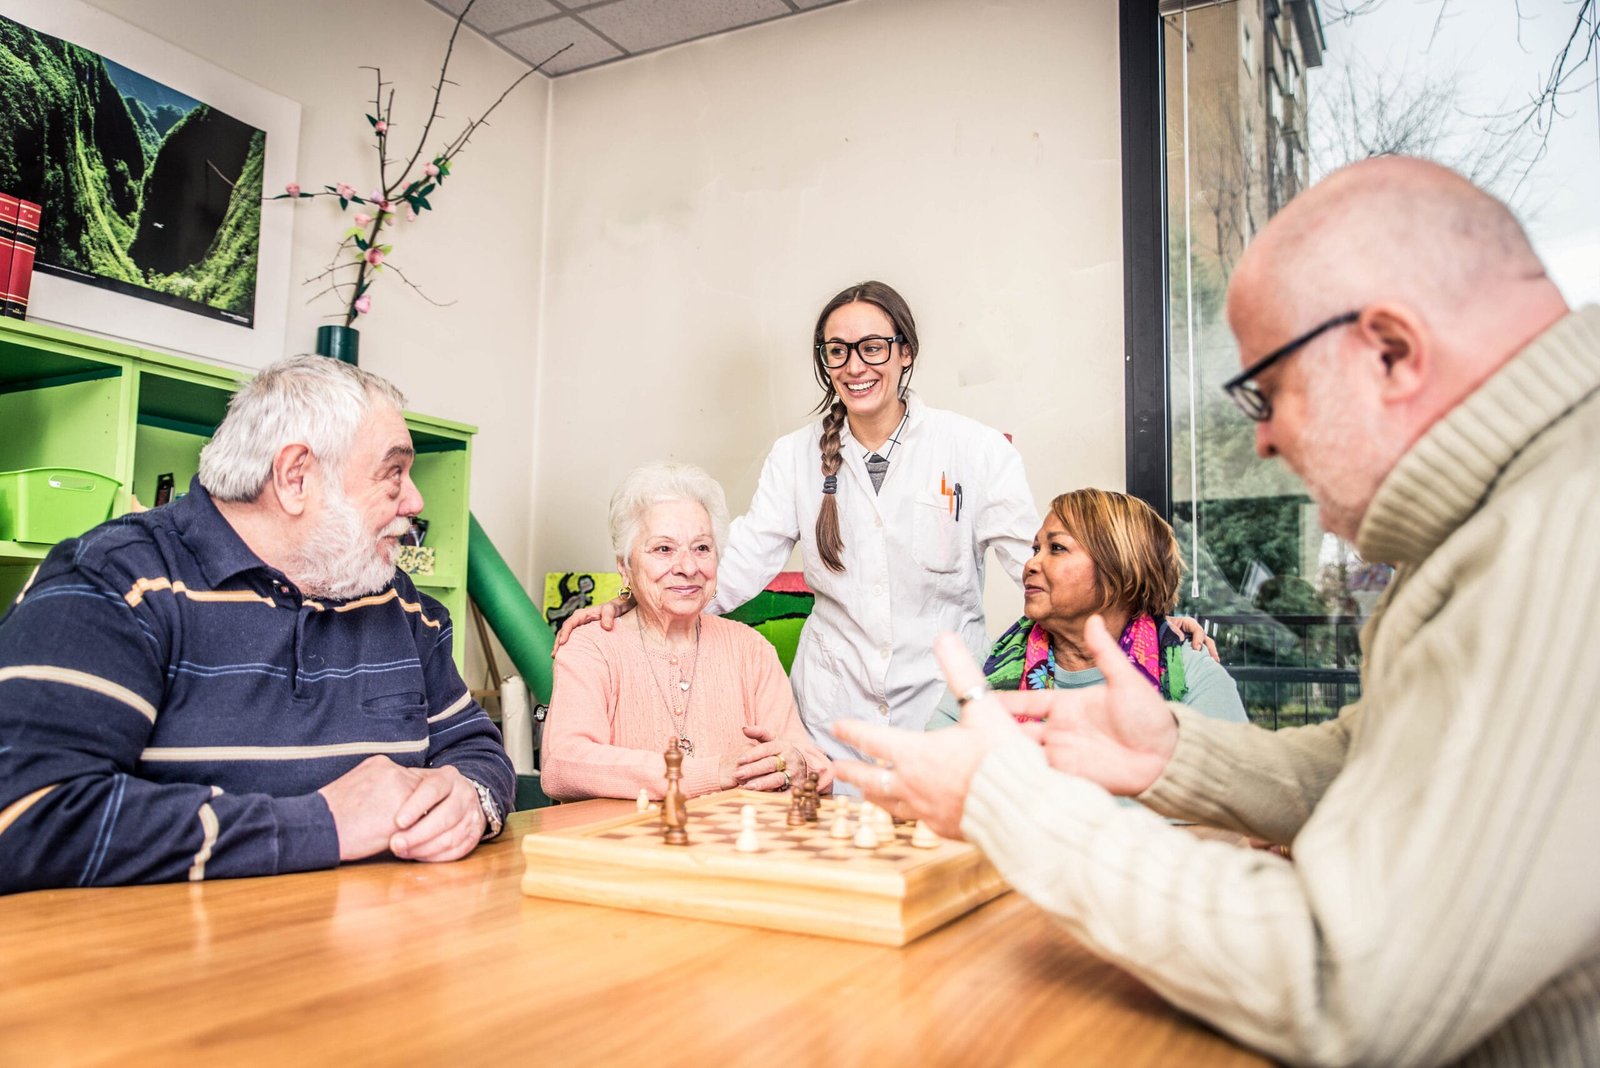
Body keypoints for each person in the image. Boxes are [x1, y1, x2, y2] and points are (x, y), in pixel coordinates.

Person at [831, 157, 1600, 1065]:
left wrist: (1007, 801)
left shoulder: (1560, 531)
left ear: (1391, 352)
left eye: (1267, 393)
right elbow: (1376, 761)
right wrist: (1175, 752)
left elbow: (1349, 985)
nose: (1262, 440)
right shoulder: (1512, 512)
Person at [557, 281, 1212, 781]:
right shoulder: (794, 457)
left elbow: (1038, 567)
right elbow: (736, 565)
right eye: (837, 351)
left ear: (905, 353)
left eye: (873, 347)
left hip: (943, 710)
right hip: (831, 713)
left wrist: (1146, 617)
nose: (855, 365)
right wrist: (634, 604)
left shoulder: (975, 450)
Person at [0, 355, 513, 894]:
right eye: (393, 473)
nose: (415, 500)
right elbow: (24, 813)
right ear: (296, 476)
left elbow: (476, 750)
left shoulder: (397, 601)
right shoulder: (115, 581)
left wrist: (471, 797)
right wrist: (324, 824)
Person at [541, 462, 830, 801]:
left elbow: (813, 765)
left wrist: (797, 766)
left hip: (731, 836)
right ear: (625, 566)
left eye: (702, 548)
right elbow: (563, 765)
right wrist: (711, 773)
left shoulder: (750, 649)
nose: (688, 567)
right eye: (663, 549)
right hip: (624, 835)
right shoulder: (591, 647)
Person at [925, 488, 1244, 729]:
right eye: (1036, 549)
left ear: (1121, 571)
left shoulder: (1194, 680)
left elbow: (1231, 795)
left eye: (1057, 548)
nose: (1031, 564)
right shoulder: (986, 669)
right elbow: (935, 768)